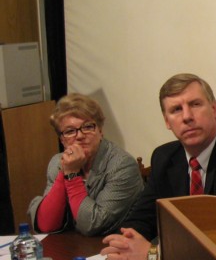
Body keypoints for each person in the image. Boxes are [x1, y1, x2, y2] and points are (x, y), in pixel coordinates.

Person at [101, 73, 216, 260]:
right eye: (176, 109)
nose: (187, 117)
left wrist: (154, 256)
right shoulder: (164, 158)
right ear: (167, 121)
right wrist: (124, 243)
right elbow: (143, 218)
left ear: (214, 110)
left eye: (195, 104)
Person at [28, 93, 142, 236]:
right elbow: (46, 224)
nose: (80, 136)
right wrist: (64, 172)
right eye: (70, 131)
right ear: (62, 140)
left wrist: (71, 175)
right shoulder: (58, 162)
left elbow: (93, 225)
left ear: (100, 131)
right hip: (73, 244)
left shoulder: (122, 165)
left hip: (111, 243)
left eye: (87, 127)